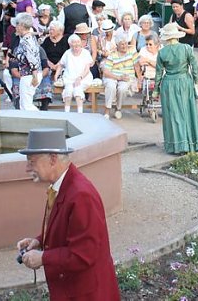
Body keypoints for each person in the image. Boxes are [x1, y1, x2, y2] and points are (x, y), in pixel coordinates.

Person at [16, 128, 120, 300]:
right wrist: (39, 241)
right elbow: (69, 229)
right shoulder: (64, 186)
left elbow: (84, 254)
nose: (27, 168)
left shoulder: (80, 195)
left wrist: (43, 258)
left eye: (32, 161)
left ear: (53, 159)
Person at [154, 23, 198, 154]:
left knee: (173, 114)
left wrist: (156, 90)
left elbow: (159, 73)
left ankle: (176, 145)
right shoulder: (187, 48)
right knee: (188, 111)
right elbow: (194, 66)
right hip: (184, 82)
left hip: (169, 83)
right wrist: (197, 81)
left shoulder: (162, 52)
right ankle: (191, 143)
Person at [55, 34, 94, 113]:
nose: (76, 46)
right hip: (69, 77)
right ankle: (67, 113)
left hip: (83, 78)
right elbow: (61, 65)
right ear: (70, 45)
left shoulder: (85, 53)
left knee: (77, 90)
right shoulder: (67, 53)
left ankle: (79, 114)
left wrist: (80, 78)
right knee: (68, 91)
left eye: (78, 44)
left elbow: (87, 69)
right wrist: (56, 75)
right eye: (74, 45)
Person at [102, 38, 139, 119]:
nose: (124, 46)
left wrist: (139, 78)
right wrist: (118, 77)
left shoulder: (132, 51)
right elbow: (106, 72)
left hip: (127, 76)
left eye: (125, 43)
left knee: (122, 88)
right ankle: (107, 109)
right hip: (112, 76)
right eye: (122, 44)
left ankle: (118, 108)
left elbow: (137, 66)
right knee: (111, 86)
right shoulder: (112, 54)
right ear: (117, 45)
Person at [13, 13, 42, 111]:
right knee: (24, 104)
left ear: (21, 26)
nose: (15, 27)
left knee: (26, 105)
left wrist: (34, 76)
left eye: (17, 24)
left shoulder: (26, 40)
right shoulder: (29, 37)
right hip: (28, 74)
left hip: (29, 74)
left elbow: (32, 59)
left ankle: (42, 120)